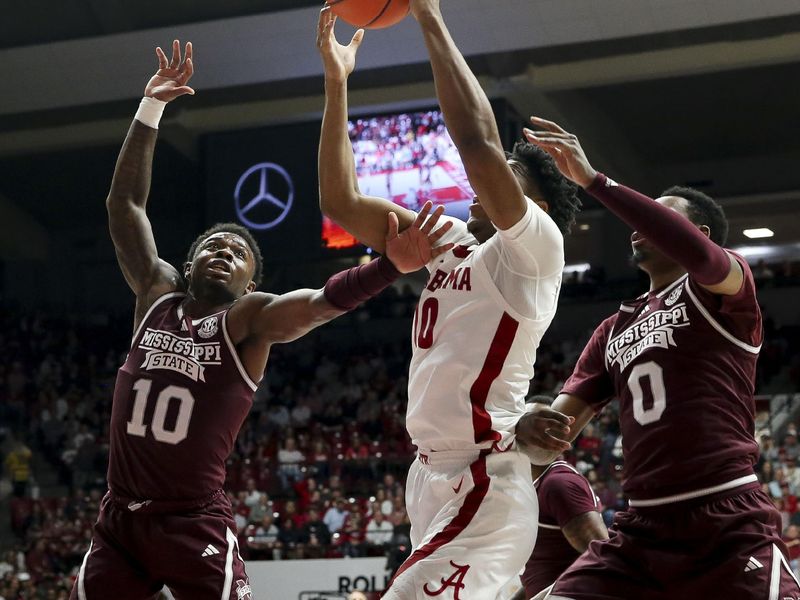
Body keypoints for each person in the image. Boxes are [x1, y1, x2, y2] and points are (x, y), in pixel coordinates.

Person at [71, 40, 452, 600]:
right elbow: (123, 207)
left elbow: (320, 303)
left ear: (250, 282)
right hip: (119, 521)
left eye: (237, 252)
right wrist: (149, 109)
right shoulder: (156, 294)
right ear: (188, 262)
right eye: (213, 245)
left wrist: (387, 267)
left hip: (191, 520)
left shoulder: (246, 318)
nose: (224, 251)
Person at [315, 0, 581, 595]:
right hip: (429, 475)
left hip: (487, 473)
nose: (483, 178)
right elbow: (341, 201)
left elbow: (477, 140)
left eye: (511, 172)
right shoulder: (450, 242)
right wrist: (337, 85)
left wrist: (428, 16)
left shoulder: (535, 250)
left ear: (532, 202)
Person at [517, 117, 800, 599]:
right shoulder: (613, 328)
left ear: (700, 232)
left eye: (656, 215)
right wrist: (524, 426)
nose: (636, 226)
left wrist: (595, 182)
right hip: (642, 529)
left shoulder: (724, 289)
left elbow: (705, 258)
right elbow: (551, 439)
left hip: (725, 517)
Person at [512, 398, 608, 600]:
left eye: (548, 426)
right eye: (532, 423)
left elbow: (603, 559)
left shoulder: (558, 484)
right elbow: (539, 574)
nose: (538, 433)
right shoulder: (535, 485)